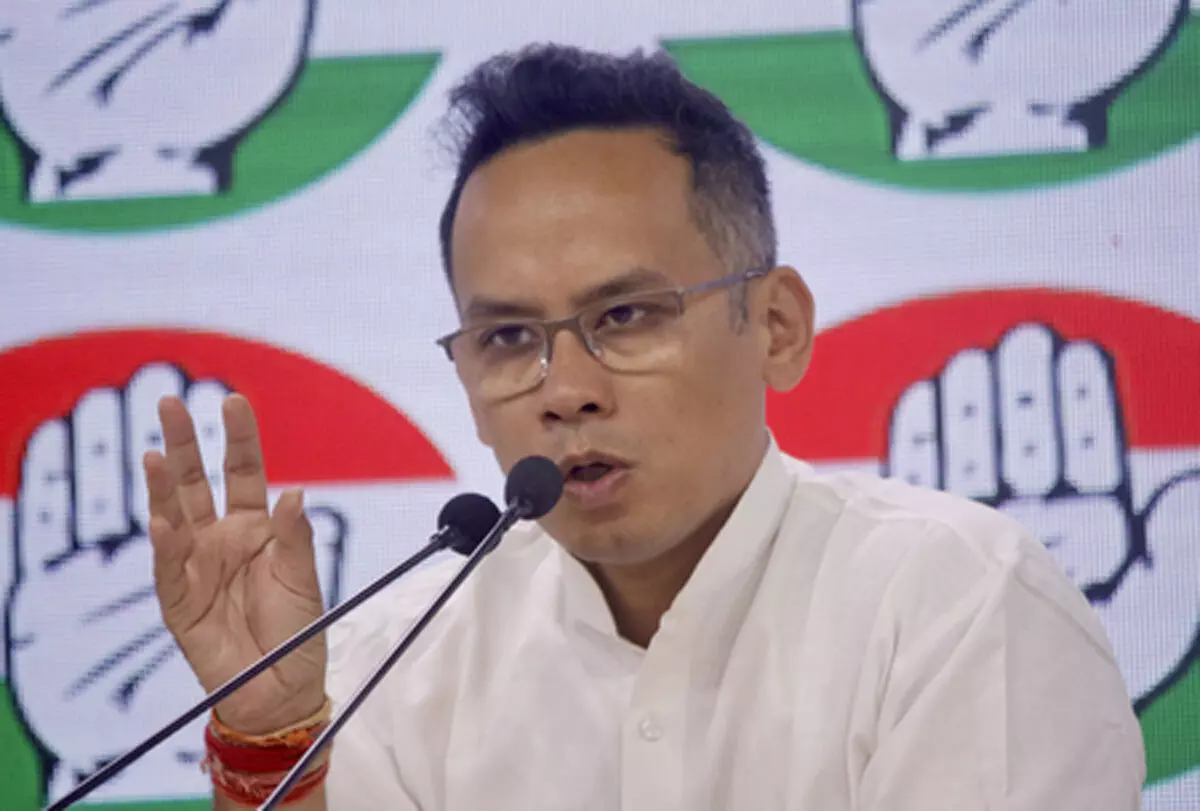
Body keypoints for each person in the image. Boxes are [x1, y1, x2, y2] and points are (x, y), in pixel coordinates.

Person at [142, 44, 1145, 810]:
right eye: (508, 337)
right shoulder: (388, 665)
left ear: (777, 326)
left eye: (624, 316)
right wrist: (271, 740)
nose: (566, 390)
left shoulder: (954, 606)